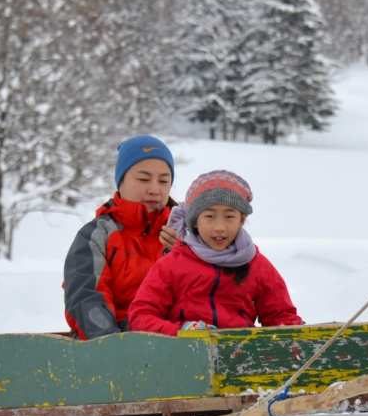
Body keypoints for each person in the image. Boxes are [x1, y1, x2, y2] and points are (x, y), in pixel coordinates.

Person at [128, 169, 303, 334]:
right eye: (209, 216)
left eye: (229, 216)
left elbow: (280, 315)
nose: (220, 227)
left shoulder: (257, 266)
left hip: (238, 358)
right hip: (182, 357)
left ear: (241, 220)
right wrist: (182, 332)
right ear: (195, 221)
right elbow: (141, 315)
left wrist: (295, 332)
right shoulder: (171, 265)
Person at [63, 134, 177, 339]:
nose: (155, 189)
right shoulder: (97, 235)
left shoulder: (187, 234)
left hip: (181, 342)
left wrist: (186, 252)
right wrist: (112, 345)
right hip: (121, 345)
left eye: (164, 180)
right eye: (143, 179)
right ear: (121, 182)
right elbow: (86, 296)